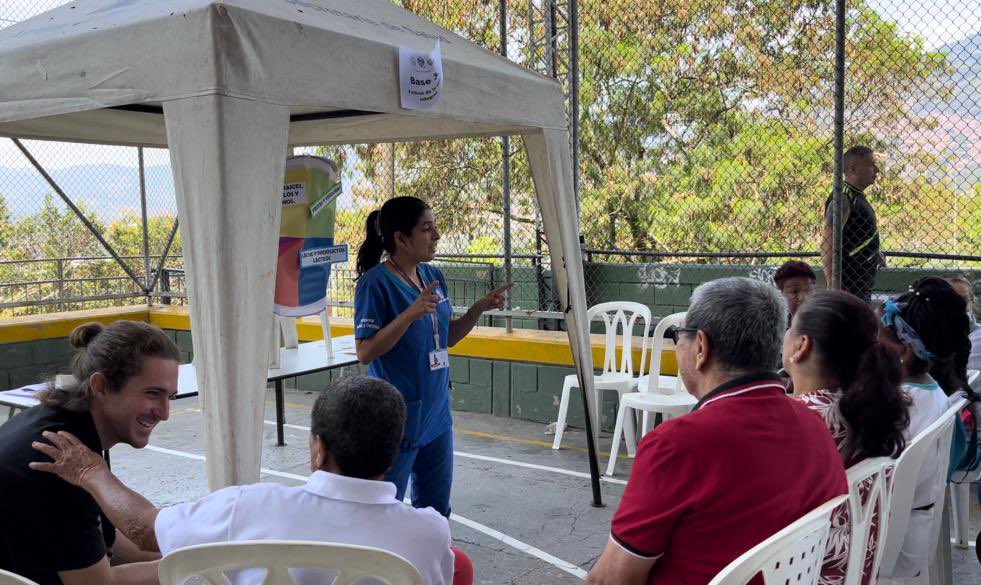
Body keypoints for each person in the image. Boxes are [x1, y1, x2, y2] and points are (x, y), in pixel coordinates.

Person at [30, 376, 472, 585]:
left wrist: (91, 472)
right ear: (395, 452)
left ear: (318, 449)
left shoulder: (249, 506)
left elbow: (146, 530)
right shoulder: (429, 531)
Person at [586, 278, 848, 585]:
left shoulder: (677, 444)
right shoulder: (813, 425)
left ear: (701, 346)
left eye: (678, 336)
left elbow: (611, 579)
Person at [354, 196, 511, 517]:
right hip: (397, 416)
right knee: (383, 508)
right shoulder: (375, 284)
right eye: (427, 229)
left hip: (437, 413)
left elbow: (447, 337)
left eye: (436, 227)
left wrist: (479, 308)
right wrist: (407, 315)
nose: (436, 236)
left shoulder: (433, 276)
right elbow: (366, 351)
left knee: (436, 509)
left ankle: (428, 564)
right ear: (401, 238)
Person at [0, 321, 180, 585]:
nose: (165, 413)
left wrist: (185, 548)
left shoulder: (69, 427)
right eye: (153, 394)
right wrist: (191, 563)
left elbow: (104, 539)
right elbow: (96, 583)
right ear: (101, 387)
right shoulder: (59, 455)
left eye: (170, 397)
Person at [783, 290, 909, 585]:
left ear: (801, 346)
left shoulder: (797, 421)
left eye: (790, 328)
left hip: (804, 572)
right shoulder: (863, 407)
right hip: (854, 571)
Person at [878, 277, 974, 579]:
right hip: (917, 534)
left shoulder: (898, 406)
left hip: (888, 545)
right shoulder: (933, 392)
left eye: (879, 342)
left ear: (904, 352)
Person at [821, 145, 882, 303]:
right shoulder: (843, 197)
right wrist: (833, 285)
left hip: (862, 285)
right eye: (871, 165)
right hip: (849, 287)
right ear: (854, 169)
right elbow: (828, 242)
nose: (876, 170)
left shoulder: (857, 196)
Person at [942, 273, 981, 374]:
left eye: (963, 300)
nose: (959, 305)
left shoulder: (978, 337)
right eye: (950, 300)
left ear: (972, 301)